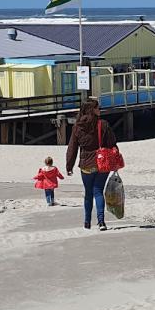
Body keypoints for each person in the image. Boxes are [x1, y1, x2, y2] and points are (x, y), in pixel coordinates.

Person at [66, 99, 118, 232]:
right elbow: (112, 143)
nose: (100, 110)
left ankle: (87, 222)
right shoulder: (103, 124)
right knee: (98, 191)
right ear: (91, 110)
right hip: (102, 163)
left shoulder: (77, 127)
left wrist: (69, 166)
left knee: (89, 193)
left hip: (86, 164)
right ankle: (101, 222)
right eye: (97, 108)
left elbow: (72, 148)